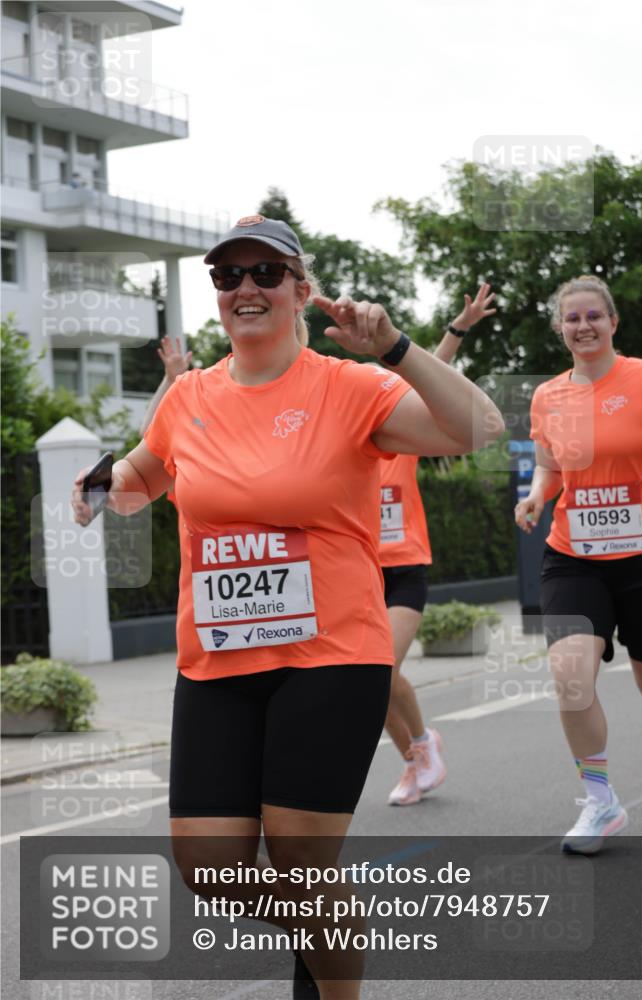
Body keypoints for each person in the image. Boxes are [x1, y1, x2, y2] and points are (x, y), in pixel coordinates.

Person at [72, 215, 504, 999]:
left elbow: (478, 428)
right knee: (210, 870)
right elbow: (141, 478)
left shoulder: (350, 386)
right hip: (216, 661)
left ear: (302, 291)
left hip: (332, 656)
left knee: (304, 861)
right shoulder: (189, 397)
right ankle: (332, 923)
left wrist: (397, 350)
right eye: (226, 276)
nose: (244, 288)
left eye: (264, 274)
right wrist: (98, 489)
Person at [515, 275, 642, 854]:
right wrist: (535, 496)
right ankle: (600, 803)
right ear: (560, 328)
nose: (583, 327)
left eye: (592, 316)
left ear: (612, 323)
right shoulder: (548, 396)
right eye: (571, 318)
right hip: (574, 556)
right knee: (571, 676)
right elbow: (551, 467)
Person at [381, 285, 497, 806]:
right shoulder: (337, 450)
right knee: (366, 682)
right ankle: (414, 758)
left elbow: (427, 372)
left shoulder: (399, 443)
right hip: (354, 573)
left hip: (404, 569)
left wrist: (458, 328)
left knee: (380, 667)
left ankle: (422, 743)